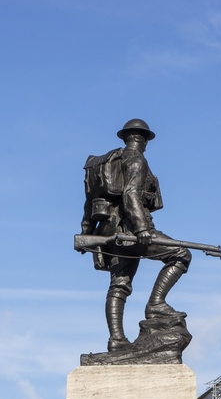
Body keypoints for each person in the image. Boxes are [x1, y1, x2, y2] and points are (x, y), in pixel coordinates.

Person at [80, 119, 192, 352]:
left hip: (109, 231)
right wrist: (142, 229)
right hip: (131, 229)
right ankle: (156, 304)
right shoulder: (137, 160)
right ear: (144, 141)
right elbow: (131, 195)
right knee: (180, 254)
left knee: (119, 285)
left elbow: (90, 202)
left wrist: (86, 231)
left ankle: (117, 340)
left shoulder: (107, 163)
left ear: (126, 138)